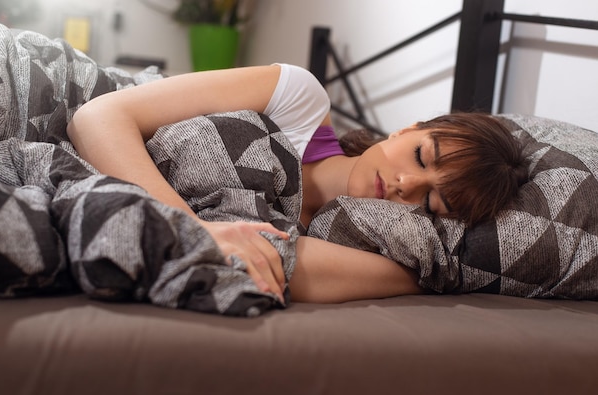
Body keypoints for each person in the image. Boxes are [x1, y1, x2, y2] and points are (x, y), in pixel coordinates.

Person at [67, 63, 527, 304]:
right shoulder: (300, 99)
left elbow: (430, 276)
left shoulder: (346, 244)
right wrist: (189, 226)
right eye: (422, 156)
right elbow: (97, 115)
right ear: (406, 130)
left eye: (431, 200)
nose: (406, 183)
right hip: (61, 94)